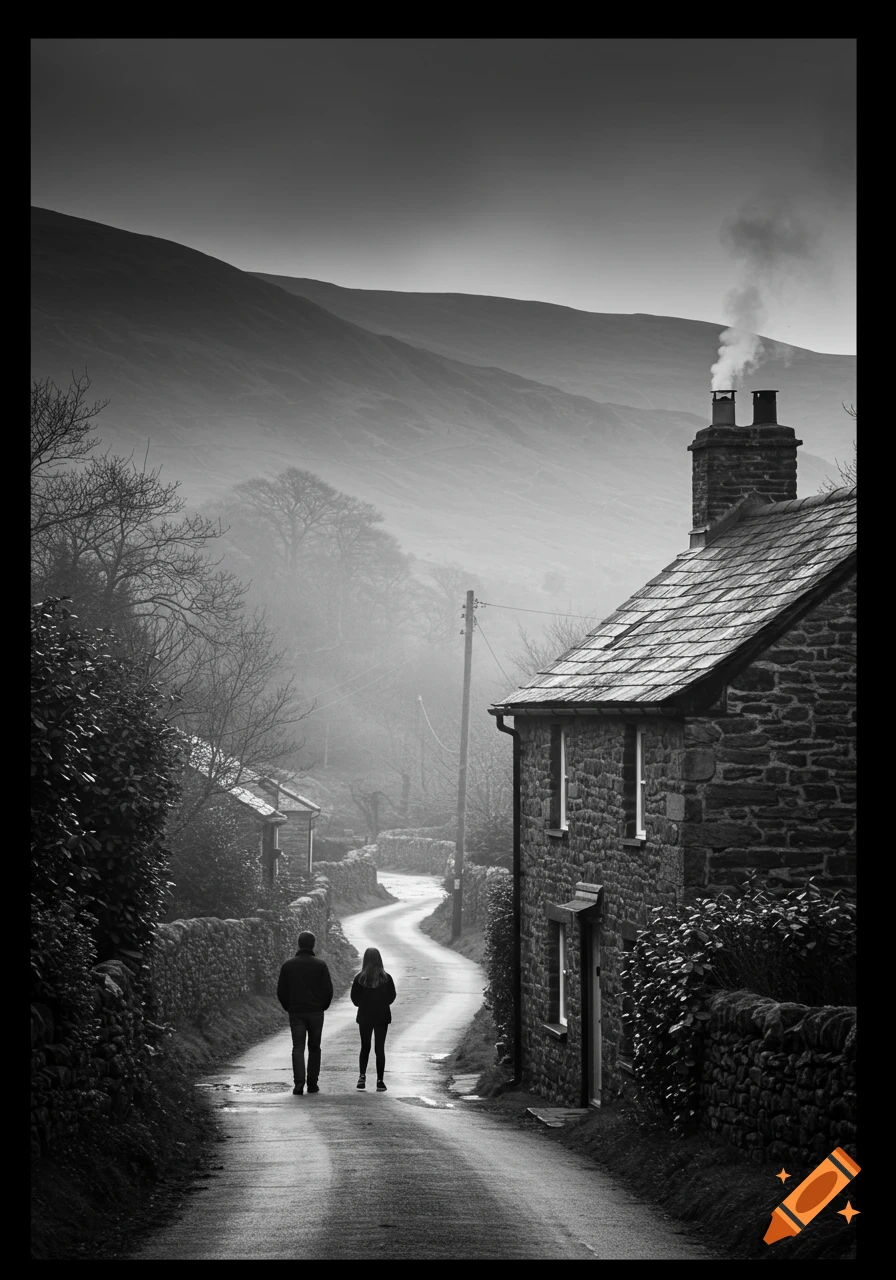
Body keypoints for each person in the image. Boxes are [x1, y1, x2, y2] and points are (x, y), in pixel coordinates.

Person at [276, 930, 333, 1095]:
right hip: (316, 1012)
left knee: (298, 1047)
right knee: (315, 1047)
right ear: (313, 945)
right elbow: (328, 990)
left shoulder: (288, 965)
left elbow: (281, 991)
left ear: (299, 944)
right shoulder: (320, 965)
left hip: (296, 1012)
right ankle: (313, 1084)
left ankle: (298, 1084)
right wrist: (323, 1006)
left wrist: (289, 1007)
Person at [350, 947, 396, 1092]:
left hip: (365, 1016)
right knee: (379, 1048)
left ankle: (362, 1077)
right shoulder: (386, 978)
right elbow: (392, 996)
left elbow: (354, 999)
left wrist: (362, 1004)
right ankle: (380, 1080)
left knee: (365, 1047)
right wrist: (382, 1003)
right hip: (382, 1016)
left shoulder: (360, 978)